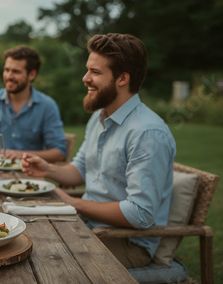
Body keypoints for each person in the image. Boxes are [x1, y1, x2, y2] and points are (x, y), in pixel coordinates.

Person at [22, 33, 176, 268]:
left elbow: (140, 214)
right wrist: (48, 169)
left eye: (95, 72)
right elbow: (81, 169)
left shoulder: (147, 134)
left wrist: (73, 203)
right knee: (20, 236)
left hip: (127, 242)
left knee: (44, 259)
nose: (85, 78)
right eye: (87, 70)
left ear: (122, 78)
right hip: (88, 225)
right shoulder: (99, 116)